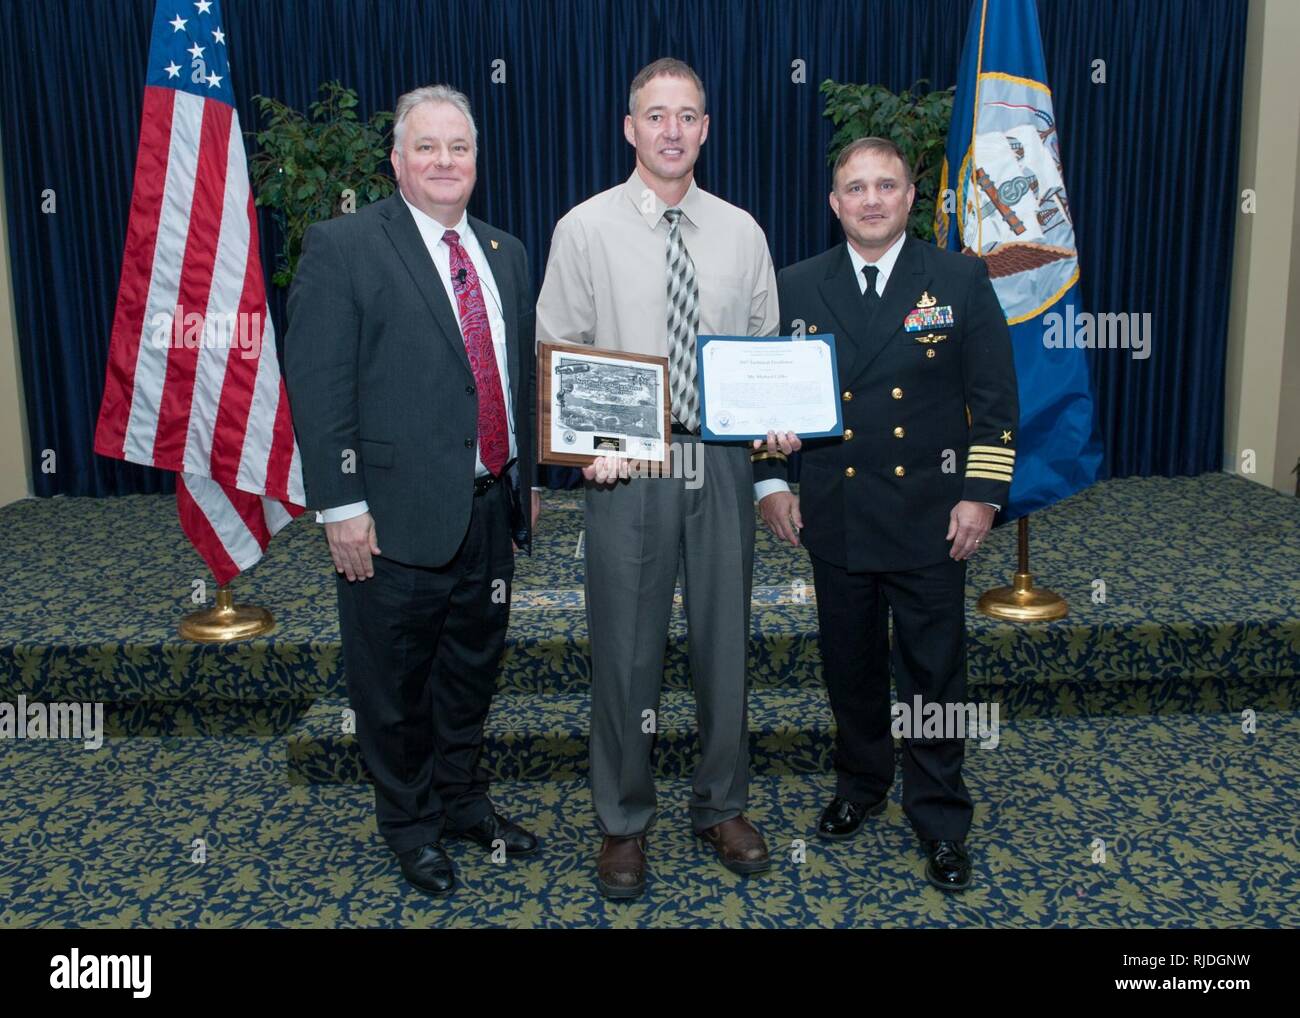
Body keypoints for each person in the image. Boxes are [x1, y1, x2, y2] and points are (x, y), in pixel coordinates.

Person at [536, 58, 797, 899]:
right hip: (626, 468)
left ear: (706, 128)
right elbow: (556, 356)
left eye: (688, 115)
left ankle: (721, 804)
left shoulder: (742, 232)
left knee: (726, 643)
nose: (673, 130)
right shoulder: (583, 229)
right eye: (656, 115)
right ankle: (621, 820)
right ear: (630, 127)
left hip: (718, 461)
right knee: (624, 649)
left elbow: (764, 355)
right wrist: (583, 449)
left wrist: (773, 442)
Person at [284, 84, 540, 898]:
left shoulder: (506, 252)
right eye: (425, 147)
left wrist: (524, 482)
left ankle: (463, 802)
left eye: (457, 147)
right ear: (396, 160)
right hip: (389, 519)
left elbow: (512, 380)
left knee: (470, 670)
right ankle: (411, 825)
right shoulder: (345, 246)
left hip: (488, 510)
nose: (443, 162)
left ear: (476, 159)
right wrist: (343, 508)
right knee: (392, 686)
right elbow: (319, 390)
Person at [755, 136, 1019, 892]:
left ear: (910, 197)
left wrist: (983, 495)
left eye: (887, 185)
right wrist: (772, 479)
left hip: (933, 517)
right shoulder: (796, 285)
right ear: (834, 202)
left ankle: (939, 814)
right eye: (855, 188)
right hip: (836, 517)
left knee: (934, 674)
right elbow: (768, 402)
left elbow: (997, 403)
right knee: (851, 664)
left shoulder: (960, 280)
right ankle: (860, 784)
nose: (871, 200)